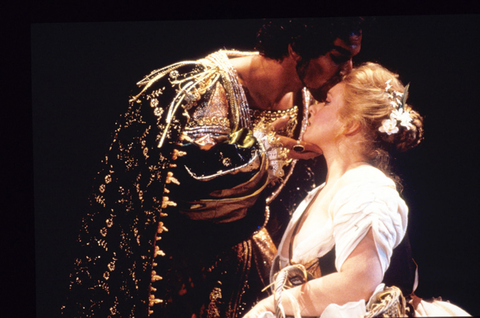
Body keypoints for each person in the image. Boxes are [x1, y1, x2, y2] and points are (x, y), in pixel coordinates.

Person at [60, 17, 363, 318]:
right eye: (337, 57)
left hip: (253, 279)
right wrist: (259, 155)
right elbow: (181, 185)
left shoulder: (316, 106)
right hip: (176, 274)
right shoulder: (198, 90)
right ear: (297, 46)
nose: (347, 71)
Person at [243, 62, 471, 317]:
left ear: (351, 124)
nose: (313, 108)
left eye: (327, 102)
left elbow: (359, 282)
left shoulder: (366, 186)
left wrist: (270, 306)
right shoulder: (319, 193)